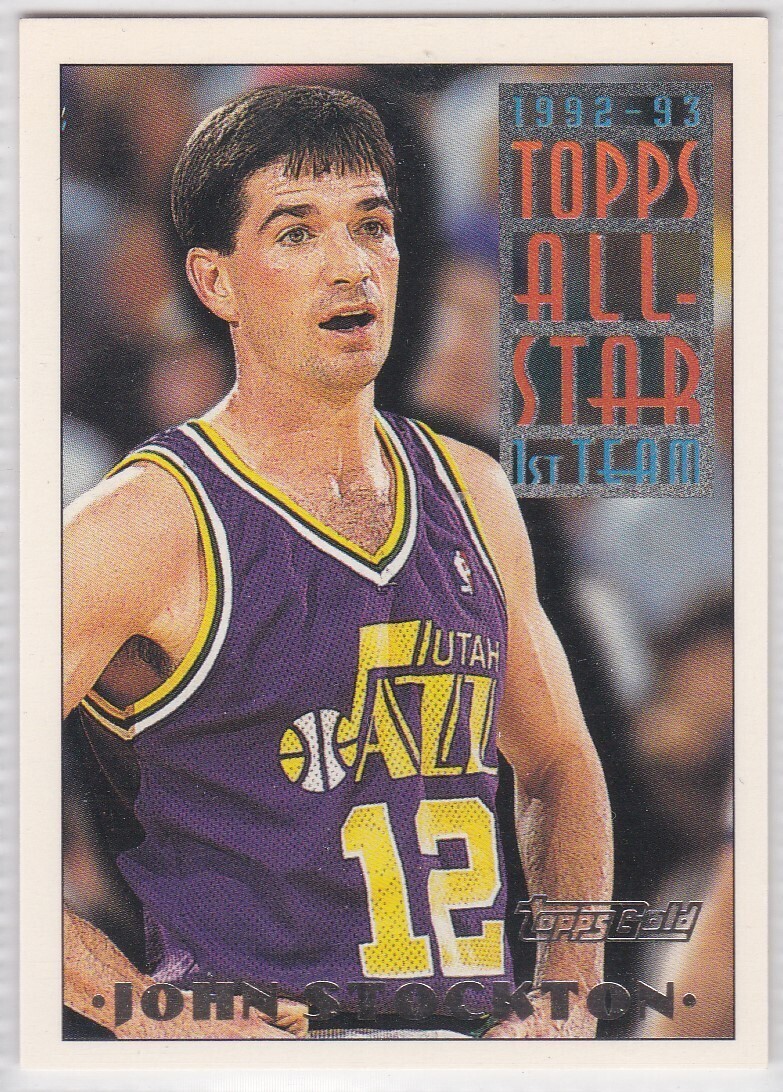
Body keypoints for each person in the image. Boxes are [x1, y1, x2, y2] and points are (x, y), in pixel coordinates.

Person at [63, 85, 612, 1040]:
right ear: (214, 283)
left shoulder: (473, 490)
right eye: (295, 232)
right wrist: (140, 1011)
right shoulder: (146, 521)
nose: (349, 264)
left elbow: (560, 761)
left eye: (371, 225)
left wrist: (570, 984)